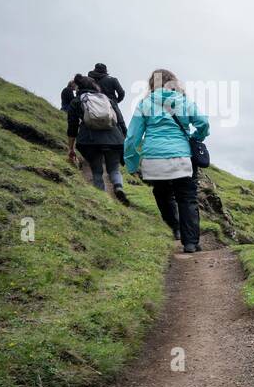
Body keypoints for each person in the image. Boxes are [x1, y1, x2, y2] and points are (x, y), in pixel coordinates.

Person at [123, 69, 210, 253]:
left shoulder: (145, 104)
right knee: (187, 198)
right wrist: (196, 137)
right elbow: (203, 123)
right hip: (181, 157)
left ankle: (175, 227)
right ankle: (191, 243)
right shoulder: (184, 101)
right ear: (174, 83)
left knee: (162, 194)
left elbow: (132, 138)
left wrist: (131, 163)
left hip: (154, 159)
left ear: (152, 84)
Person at [66, 73, 129, 203]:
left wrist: (71, 148)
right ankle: (118, 187)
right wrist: (125, 139)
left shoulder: (76, 101)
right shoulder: (107, 99)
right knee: (114, 169)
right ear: (95, 86)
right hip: (114, 139)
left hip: (89, 140)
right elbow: (121, 122)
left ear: (79, 87)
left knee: (97, 171)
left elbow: (72, 127)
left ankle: (102, 198)